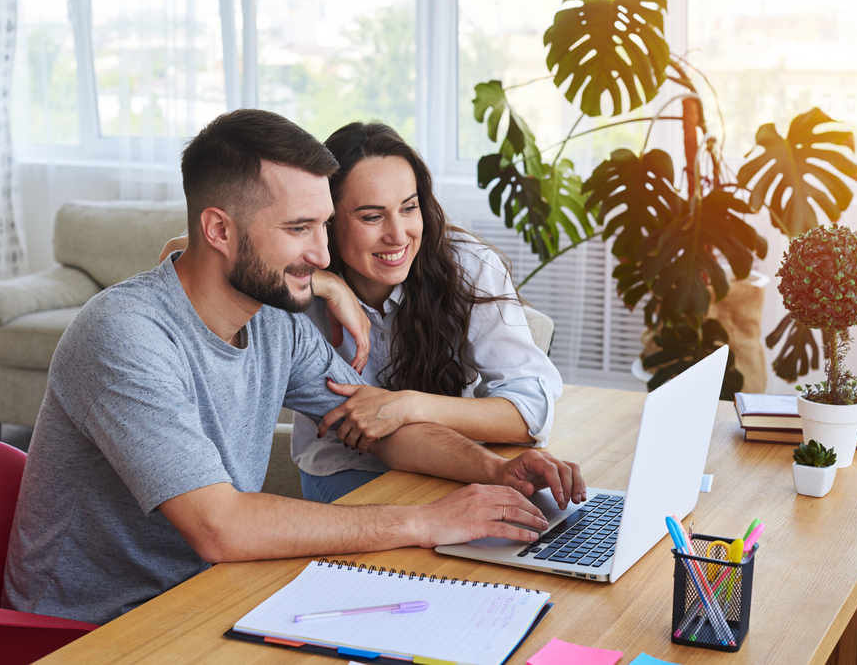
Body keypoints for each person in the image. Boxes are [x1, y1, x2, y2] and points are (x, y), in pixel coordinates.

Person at [2, 109, 585, 626]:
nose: (325, 255)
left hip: (215, 592)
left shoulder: (274, 320)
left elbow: (378, 427)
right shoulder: (124, 335)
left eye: (323, 224)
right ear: (219, 230)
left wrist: (492, 473)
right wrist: (425, 521)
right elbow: (220, 526)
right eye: (298, 229)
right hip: (102, 626)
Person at [165, 122, 565, 503]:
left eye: (409, 208)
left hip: (448, 458)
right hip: (345, 468)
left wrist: (408, 405)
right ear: (326, 218)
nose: (397, 234)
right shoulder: (290, 278)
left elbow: (531, 411)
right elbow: (182, 255)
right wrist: (327, 283)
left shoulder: (467, 266)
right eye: (371, 217)